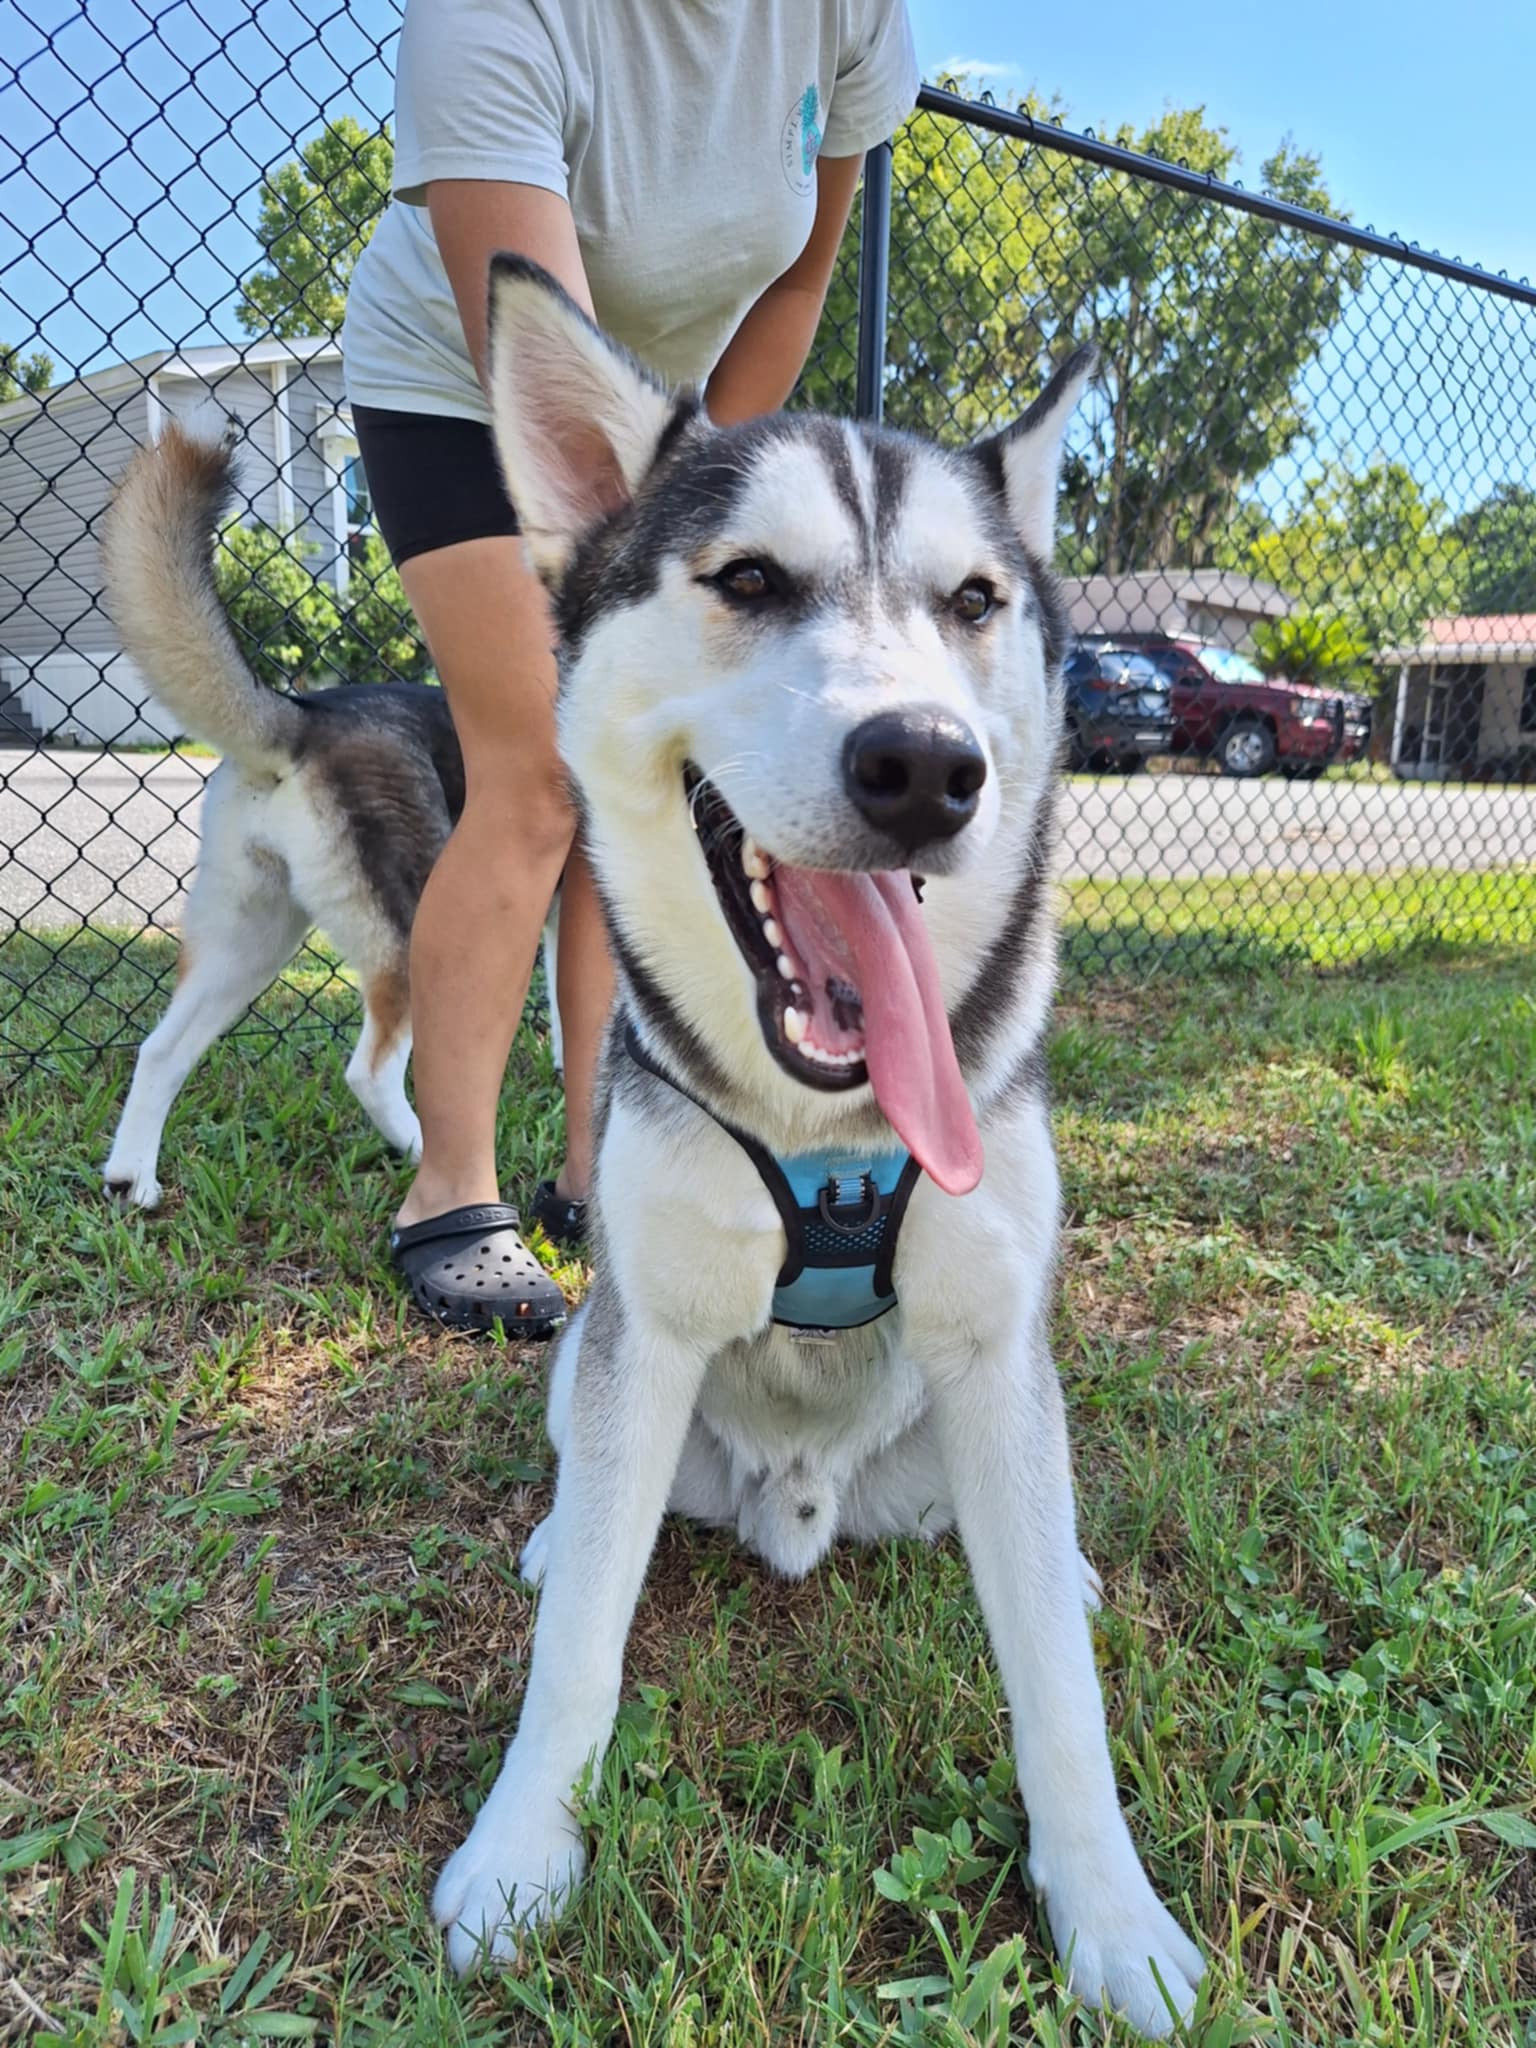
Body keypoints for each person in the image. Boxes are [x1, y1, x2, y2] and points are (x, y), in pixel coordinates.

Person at [341, 0, 918, 1334]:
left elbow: (796, 276)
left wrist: (722, 492)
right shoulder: (495, 17)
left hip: (678, 408)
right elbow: (543, 347)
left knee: (649, 773)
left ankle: (601, 1165)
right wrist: (665, 571)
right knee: (547, 764)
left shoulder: (850, 15)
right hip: (475, 376)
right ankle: (450, 1189)